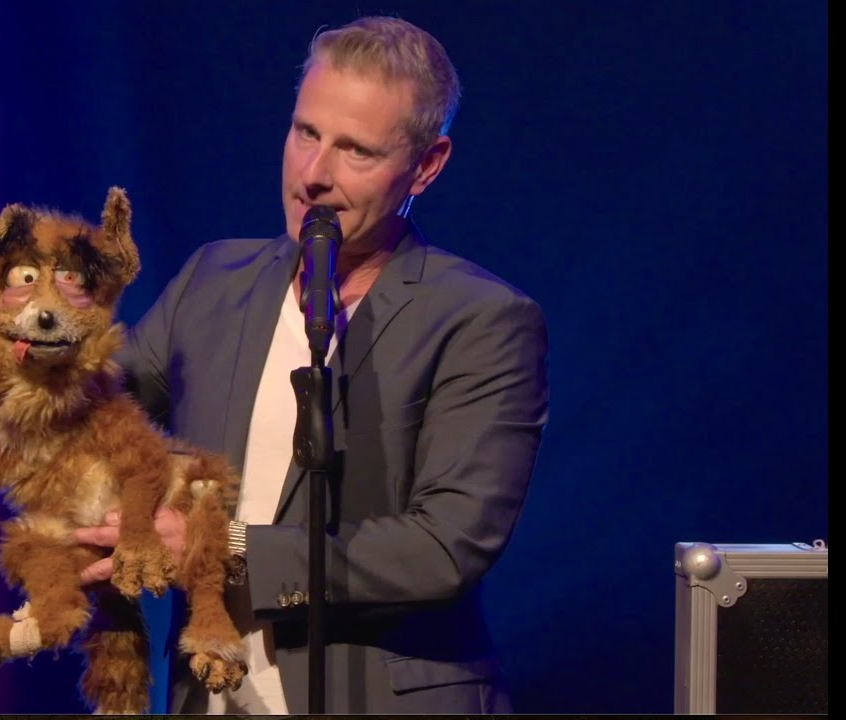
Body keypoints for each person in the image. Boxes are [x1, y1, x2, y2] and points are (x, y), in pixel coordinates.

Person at [73, 15, 549, 714]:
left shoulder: (482, 320)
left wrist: (223, 549)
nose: (314, 176)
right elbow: (97, 416)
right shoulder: (214, 279)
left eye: (355, 150)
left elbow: (447, 545)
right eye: (306, 134)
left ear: (427, 164)